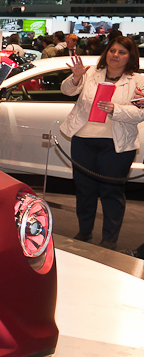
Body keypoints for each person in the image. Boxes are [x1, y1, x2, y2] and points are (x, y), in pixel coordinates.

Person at [59, 38, 144, 249]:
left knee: (111, 192)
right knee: (84, 190)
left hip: (117, 144)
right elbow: (67, 91)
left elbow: (140, 113)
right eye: (113, 50)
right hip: (83, 139)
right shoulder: (90, 74)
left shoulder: (138, 81)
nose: (116, 55)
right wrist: (76, 77)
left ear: (130, 56)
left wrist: (116, 109)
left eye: (122, 52)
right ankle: (84, 232)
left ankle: (109, 240)